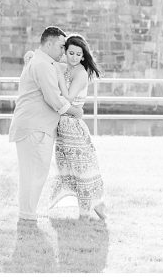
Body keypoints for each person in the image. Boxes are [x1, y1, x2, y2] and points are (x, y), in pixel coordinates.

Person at [8, 26, 84, 221]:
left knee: (35, 172)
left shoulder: (42, 61)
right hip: (35, 128)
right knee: (33, 173)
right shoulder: (42, 64)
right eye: (61, 46)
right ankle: (26, 214)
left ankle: (28, 213)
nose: (63, 51)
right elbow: (54, 97)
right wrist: (76, 112)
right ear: (49, 43)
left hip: (36, 127)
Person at [47, 35, 107, 219]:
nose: (73, 57)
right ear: (65, 52)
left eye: (77, 54)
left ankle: (87, 211)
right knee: (69, 168)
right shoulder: (66, 68)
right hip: (63, 126)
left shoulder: (80, 73)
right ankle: (93, 207)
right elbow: (48, 63)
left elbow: (68, 98)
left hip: (73, 126)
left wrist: (58, 76)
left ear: (83, 56)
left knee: (83, 169)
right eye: (70, 52)